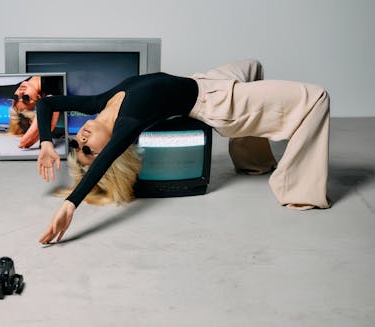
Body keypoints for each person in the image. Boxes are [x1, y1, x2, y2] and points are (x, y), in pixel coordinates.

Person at [35, 59, 331, 244]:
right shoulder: (128, 124)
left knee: (253, 66)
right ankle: (298, 192)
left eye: (76, 145)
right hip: (220, 103)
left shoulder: (99, 102)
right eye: (89, 150)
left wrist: (47, 142)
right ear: (110, 151)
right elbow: (106, 161)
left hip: (206, 79)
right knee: (316, 98)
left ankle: (253, 161)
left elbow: (45, 104)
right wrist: (72, 203)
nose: (81, 140)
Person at [0, 76, 60, 148]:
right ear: (39, 99)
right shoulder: (54, 85)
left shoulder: (17, 89)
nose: (20, 93)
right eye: (26, 98)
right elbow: (26, 142)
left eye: (15, 98)